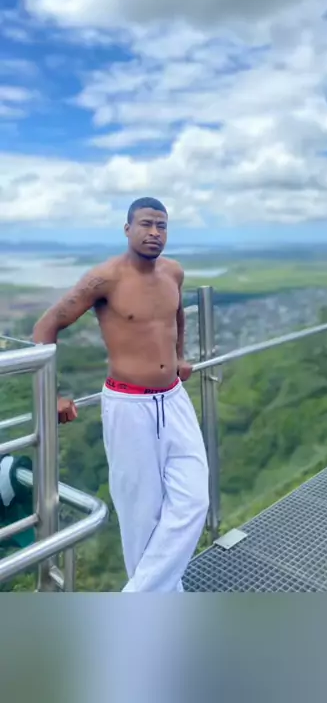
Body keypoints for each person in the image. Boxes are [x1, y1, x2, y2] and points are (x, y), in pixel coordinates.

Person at [32, 197, 210, 592]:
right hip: (128, 405)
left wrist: (180, 355)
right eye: (146, 224)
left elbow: (176, 315)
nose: (154, 233)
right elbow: (45, 327)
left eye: (161, 226)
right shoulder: (105, 278)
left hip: (174, 398)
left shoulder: (174, 272)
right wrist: (52, 394)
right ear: (127, 229)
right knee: (140, 516)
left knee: (195, 498)